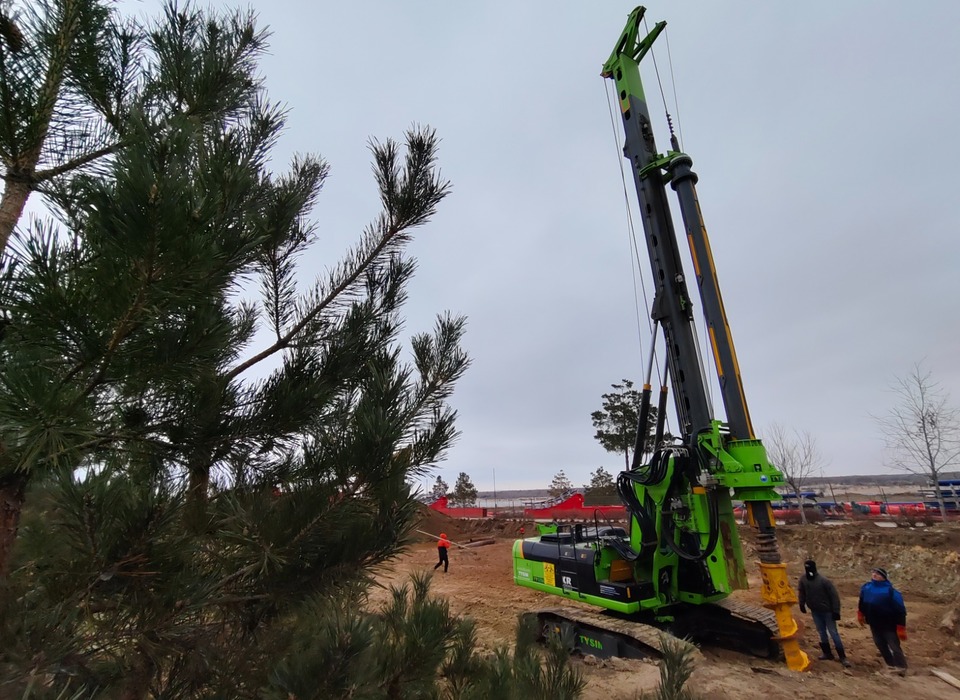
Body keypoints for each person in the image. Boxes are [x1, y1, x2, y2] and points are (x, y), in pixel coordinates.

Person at [797, 559, 850, 667]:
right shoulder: (803, 579)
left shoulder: (824, 581)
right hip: (815, 611)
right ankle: (827, 653)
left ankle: (842, 657)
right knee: (821, 632)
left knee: (833, 633)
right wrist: (801, 604)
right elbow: (801, 592)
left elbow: (834, 596)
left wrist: (836, 611)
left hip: (828, 612)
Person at [858, 567, 907, 672]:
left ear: (883, 578)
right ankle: (891, 664)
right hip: (873, 623)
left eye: (878, 574)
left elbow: (900, 610)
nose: (874, 575)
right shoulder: (866, 587)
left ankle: (901, 667)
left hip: (889, 624)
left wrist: (901, 626)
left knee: (894, 646)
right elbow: (862, 601)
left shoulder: (891, 591)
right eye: (874, 572)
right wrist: (860, 613)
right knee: (880, 644)